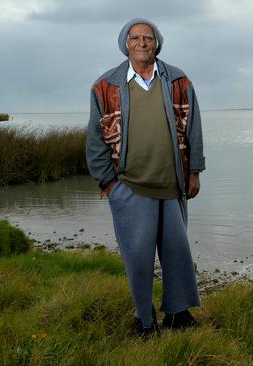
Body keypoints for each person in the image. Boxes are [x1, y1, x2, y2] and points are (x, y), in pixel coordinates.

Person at [86, 18, 205, 337]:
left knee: (177, 253)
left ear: (157, 43)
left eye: (148, 38)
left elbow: (194, 128)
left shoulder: (178, 80)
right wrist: (108, 182)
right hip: (130, 186)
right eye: (135, 37)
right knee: (138, 258)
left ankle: (179, 314)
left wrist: (193, 171)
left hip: (172, 184)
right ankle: (145, 320)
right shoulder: (105, 86)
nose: (141, 42)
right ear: (125, 43)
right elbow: (95, 140)